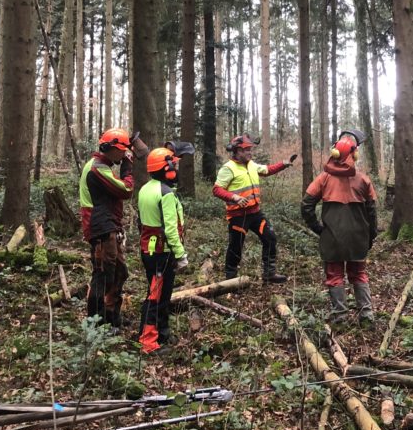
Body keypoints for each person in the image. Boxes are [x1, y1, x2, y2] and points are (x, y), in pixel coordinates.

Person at [301, 129, 378, 323]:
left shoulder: (323, 178)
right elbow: (372, 212)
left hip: (332, 239)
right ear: (353, 155)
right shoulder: (363, 180)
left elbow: (306, 205)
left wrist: (318, 228)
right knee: (359, 274)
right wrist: (370, 235)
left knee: (334, 275)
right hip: (358, 239)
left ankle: (340, 315)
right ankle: (366, 314)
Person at [213, 134, 296, 283]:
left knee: (270, 238)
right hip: (238, 215)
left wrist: (284, 164)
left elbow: (267, 170)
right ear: (237, 151)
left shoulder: (251, 164)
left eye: (250, 149)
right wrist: (234, 197)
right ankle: (230, 280)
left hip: (255, 213)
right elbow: (217, 190)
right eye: (246, 150)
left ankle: (269, 274)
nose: (250, 153)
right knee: (236, 247)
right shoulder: (228, 168)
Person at [136, 142, 193, 355]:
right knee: (156, 296)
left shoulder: (145, 189)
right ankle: (148, 342)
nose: (176, 170)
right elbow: (170, 229)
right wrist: (180, 255)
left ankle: (162, 331)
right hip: (161, 251)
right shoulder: (166, 193)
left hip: (149, 250)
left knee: (161, 293)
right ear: (165, 168)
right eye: (173, 166)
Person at [80, 128, 138, 330]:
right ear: (112, 149)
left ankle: (112, 317)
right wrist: (128, 169)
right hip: (100, 228)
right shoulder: (97, 168)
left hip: (109, 225)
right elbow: (126, 190)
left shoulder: (103, 165)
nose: (124, 156)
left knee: (119, 272)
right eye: (123, 152)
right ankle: (94, 323)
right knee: (103, 274)